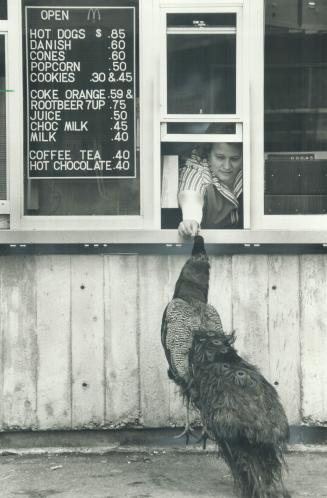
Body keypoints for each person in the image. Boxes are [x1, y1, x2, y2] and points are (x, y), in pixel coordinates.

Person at [178, 141, 243, 237]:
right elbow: (191, 195)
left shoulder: (250, 168)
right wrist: (191, 220)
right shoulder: (196, 170)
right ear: (207, 153)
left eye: (234, 159)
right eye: (220, 157)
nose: (227, 166)